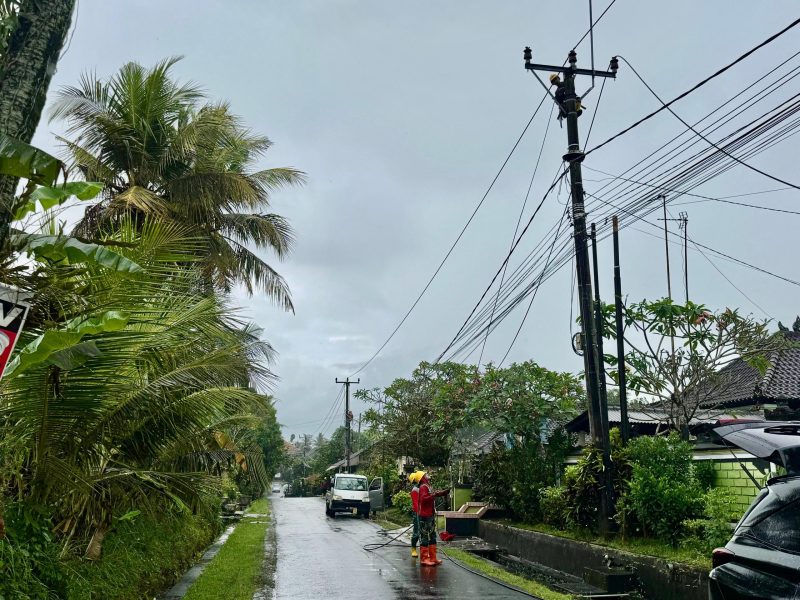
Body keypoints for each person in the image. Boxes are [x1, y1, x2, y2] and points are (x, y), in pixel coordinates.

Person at [417, 472, 449, 567]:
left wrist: (443, 493)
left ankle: (433, 557)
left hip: (430, 514)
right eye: (425, 474)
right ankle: (424, 559)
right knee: (425, 536)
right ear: (423, 477)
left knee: (432, 535)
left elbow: (433, 493)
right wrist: (433, 495)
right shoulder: (423, 487)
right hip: (425, 515)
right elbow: (424, 499)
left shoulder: (428, 486)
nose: (427, 474)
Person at [408, 471, 423, 558]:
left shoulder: (422, 488)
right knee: (416, 532)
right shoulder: (415, 490)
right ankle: (413, 549)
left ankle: (423, 550)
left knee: (424, 532)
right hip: (417, 512)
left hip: (423, 511)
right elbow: (416, 504)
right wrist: (418, 514)